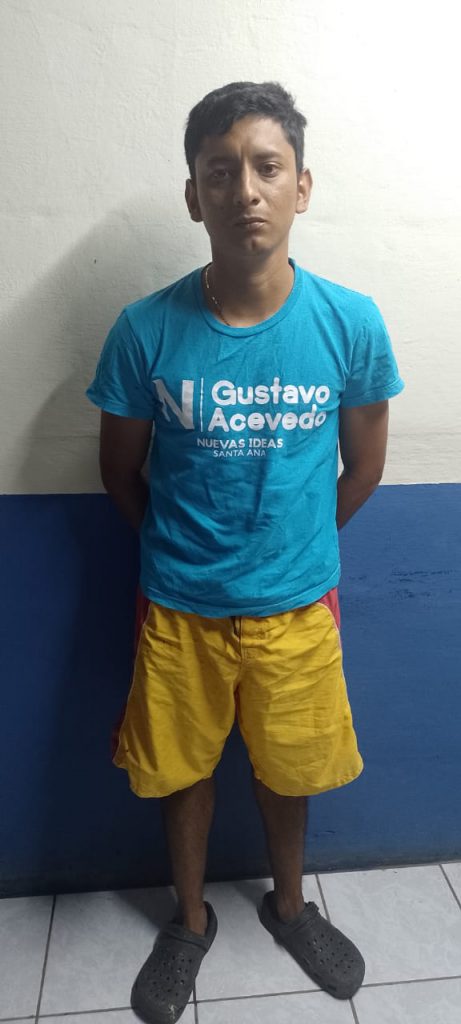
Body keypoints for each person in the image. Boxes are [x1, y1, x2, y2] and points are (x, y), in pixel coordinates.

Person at [86, 81, 404, 1024]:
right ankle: (188, 921)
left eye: (267, 168)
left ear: (301, 187)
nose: (245, 191)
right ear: (194, 196)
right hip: (177, 604)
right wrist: (187, 553)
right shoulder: (145, 329)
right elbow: (119, 472)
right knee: (180, 768)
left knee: (288, 768)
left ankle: (290, 906)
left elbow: (364, 467)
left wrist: (289, 548)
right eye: (219, 172)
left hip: (298, 606)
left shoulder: (349, 323)